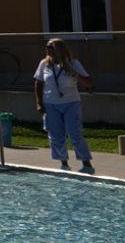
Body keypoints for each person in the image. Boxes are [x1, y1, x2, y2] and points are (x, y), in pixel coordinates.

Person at [33, 38, 95, 174]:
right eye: (47, 47)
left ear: (59, 49)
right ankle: (64, 163)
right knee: (56, 135)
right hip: (50, 104)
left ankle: (86, 164)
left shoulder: (74, 63)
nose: (47, 50)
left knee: (74, 133)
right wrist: (39, 103)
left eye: (51, 47)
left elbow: (89, 83)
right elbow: (38, 83)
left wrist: (72, 71)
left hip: (71, 103)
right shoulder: (44, 64)